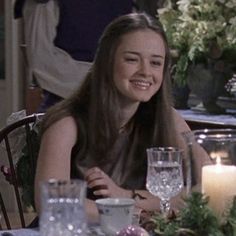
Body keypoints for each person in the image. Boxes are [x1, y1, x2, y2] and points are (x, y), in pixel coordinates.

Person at [34, 13, 210, 221]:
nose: (146, 72)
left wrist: (127, 196)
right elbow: (52, 205)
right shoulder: (67, 123)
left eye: (155, 63)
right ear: (107, 63)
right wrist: (139, 209)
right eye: (132, 60)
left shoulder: (166, 117)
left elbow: (208, 185)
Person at [16, 0, 136, 112]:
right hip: (66, 107)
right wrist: (99, 84)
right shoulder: (44, 3)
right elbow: (42, 60)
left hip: (118, 105)